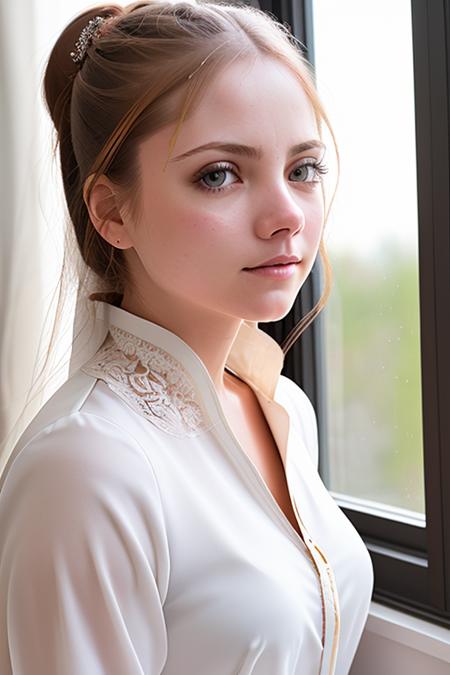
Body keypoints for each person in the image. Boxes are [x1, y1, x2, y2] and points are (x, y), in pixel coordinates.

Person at [0, 1, 374, 673]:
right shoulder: (86, 468)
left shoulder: (283, 407)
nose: (287, 215)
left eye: (304, 168)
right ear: (114, 212)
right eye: (220, 174)